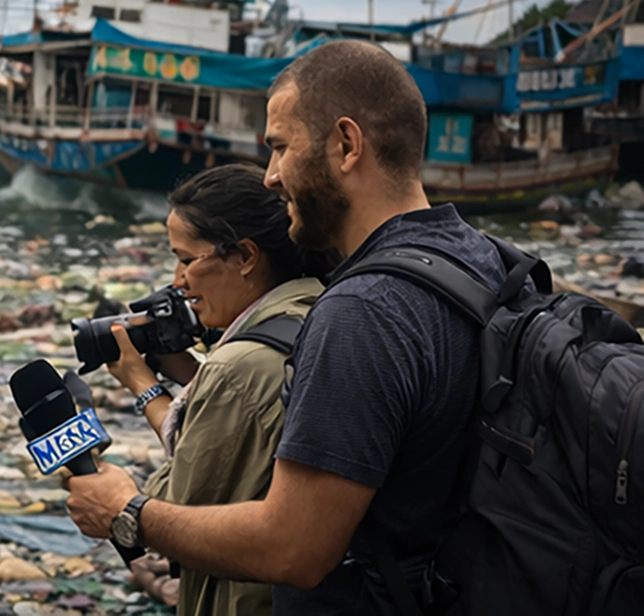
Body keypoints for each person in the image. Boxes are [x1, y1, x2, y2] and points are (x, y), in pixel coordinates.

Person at [66, 39, 510, 614]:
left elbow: (294, 549)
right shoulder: (482, 257)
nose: (271, 177)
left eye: (279, 148)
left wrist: (129, 515)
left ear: (347, 145)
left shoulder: (362, 313)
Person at [105, 163, 327, 615]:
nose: (177, 280)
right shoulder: (320, 309)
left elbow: (175, 507)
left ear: (245, 257)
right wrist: (191, 377)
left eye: (187, 259)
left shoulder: (237, 367)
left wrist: (144, 386)